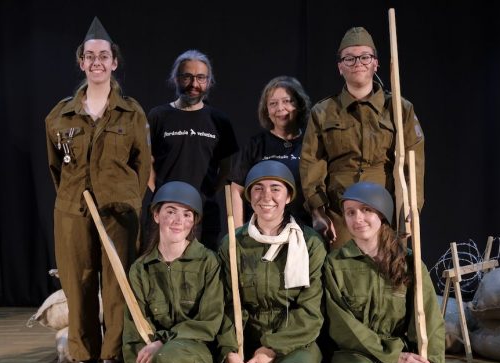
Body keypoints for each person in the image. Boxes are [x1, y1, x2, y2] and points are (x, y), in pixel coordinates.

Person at [45, 17, 151, 363]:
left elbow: (142, 166)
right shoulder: (59, 116)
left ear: (114, 62)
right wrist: (74, 203)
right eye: (89, 56)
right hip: (72, 216)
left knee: (119, 299)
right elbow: (57, 169)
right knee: (80, 296)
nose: (96, 63)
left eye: (103, 56)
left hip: (119, 218)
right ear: (81, 62)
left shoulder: (131, 113)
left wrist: (125, 200)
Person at [324, 181, 452, 363]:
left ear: (382, 214)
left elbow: (430, 322)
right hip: (354, 356)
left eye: (366, 210)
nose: (358, 218)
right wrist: (393, 356)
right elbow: (343, 326)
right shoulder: (335, 264)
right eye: (350, 212)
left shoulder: (409, 263)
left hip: (398, 358)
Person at [216, 160, 336, 363]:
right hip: (250, 345)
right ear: (249, 196)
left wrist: (271, 348)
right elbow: (223, 305)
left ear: (289, 196)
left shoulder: (309, 244)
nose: (266, 196)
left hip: (295, 340)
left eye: (275, 189)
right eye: (257, 189)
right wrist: (230, 351)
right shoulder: (233, 243)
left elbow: (311, 312)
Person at [300, 26, 425, 250]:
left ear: (376, 63)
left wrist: (411, 209)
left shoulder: (399, 109)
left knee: (390, 268)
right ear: (340, 67)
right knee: (343, 268)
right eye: (349, 58)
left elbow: (413, 164)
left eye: (365, 57)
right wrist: (318, 211)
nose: (358, 63)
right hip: (341, 212)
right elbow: (311, 164)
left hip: (386, 209)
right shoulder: (323, 111)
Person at [123, 181, 224, 363]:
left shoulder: (208, 262)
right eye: (171, 211)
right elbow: (132, 335)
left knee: (169, 355)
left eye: (187, 214)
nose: (179, 220)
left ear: (194, 222)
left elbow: (210, 322)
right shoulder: (140, 270)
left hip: (194, 359)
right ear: (156, 215)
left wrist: (162, 342)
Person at [146, 49, 239, 250]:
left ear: (209, 82)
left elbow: (226, 169)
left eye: (201, 78)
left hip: (204, 213)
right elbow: (146, 163)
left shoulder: (219, 121)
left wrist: (205, 195)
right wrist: (162, 194)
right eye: (187, 77)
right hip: (164, 212)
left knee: (203, 265)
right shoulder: (158, 116)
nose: (194, 84)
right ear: (175, 78)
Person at [229, 76, 311, 227]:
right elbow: (236, 190)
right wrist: (238, 231)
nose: (280, 108)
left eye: (287, 101)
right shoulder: (255, 145)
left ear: (299, 104)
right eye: (273, 103)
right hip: (262, 230)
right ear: (266, 110)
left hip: (304, 228)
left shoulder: (312, 143)